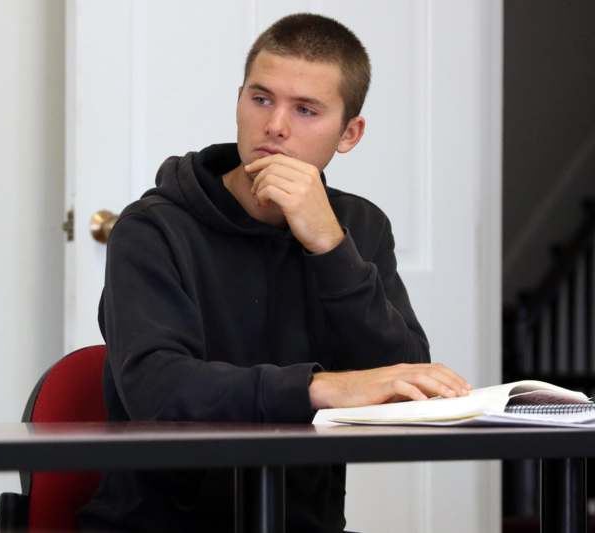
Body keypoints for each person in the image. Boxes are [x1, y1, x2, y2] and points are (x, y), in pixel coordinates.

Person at [77, 12, 470, 533]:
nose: (275, 126)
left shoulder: (359, 226)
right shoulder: (152, 228)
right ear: (239, 100)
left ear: (349, 133)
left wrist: (329, 246)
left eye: (306, 110)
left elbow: (405, 382)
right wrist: (319, 388)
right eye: (261, 99)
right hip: (160, 523)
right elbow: (156, 386)